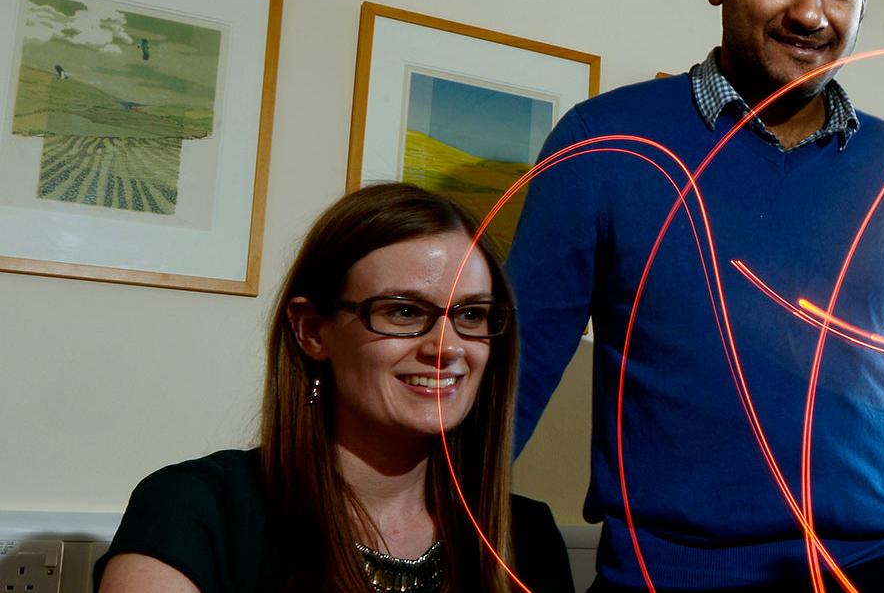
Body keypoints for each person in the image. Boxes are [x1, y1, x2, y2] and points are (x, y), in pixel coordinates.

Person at [506, 0, 884, 591]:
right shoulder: (602, 143)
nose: (810, 14)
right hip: (670, 575)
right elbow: (511, 370)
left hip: (881, 566)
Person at [96, 183, 573, 593]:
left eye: (471, 315)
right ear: (312, 331)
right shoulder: (196, 511)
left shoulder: (525, 537)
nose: (446, 347)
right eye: (404, 311)